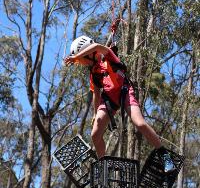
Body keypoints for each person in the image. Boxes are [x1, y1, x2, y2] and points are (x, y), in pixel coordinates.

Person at [64, 35, 175, 172]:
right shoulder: (94, 73)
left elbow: (97, 46)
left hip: (124, 93)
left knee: (139, 123)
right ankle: (103, 165)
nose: (82, 63)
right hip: (109, 100)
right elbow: (97, 94)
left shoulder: (108, 55)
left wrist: (75, 57)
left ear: (88, 53)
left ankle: (164, 156)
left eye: (81, 60)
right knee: (95, 134)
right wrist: (95, 114)